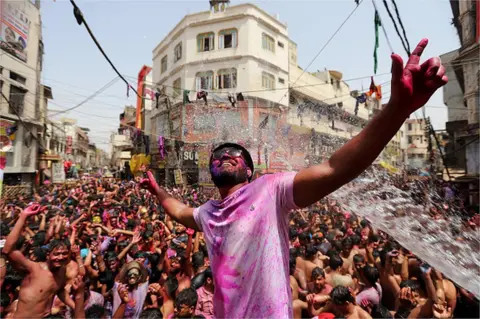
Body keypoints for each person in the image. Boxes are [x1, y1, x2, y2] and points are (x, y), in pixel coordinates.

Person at [140, 38, 448, 318]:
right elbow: (179, 211)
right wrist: (157, 191)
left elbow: (334, 168)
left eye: (235, 152)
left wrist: (397, 109)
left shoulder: (270, 189)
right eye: (218, 154)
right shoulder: (208, 213)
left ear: (249, 171)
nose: (225, 154)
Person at [1, 204, 75, 318]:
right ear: (47, 255)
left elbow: (58, 289)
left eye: (64, 254)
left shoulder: (62, 270)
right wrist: (23, 216)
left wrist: (77, 306)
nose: (60, 257)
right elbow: (8, 250)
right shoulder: (34, 269)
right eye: (56, 254)